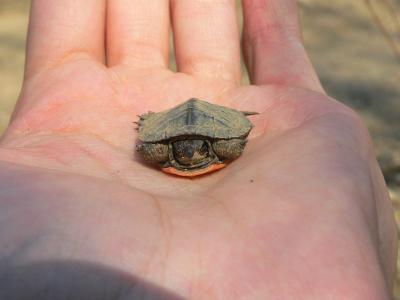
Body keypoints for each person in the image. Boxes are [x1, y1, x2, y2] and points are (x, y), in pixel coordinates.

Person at [0, 0, 396, 299]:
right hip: (170, 120)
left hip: (211, 118)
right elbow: (150, 144)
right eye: (184, 151)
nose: (188, 155)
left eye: (192, 151)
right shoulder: (166, 149)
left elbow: (234, 137)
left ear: (203, 147)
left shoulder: (217, 146)